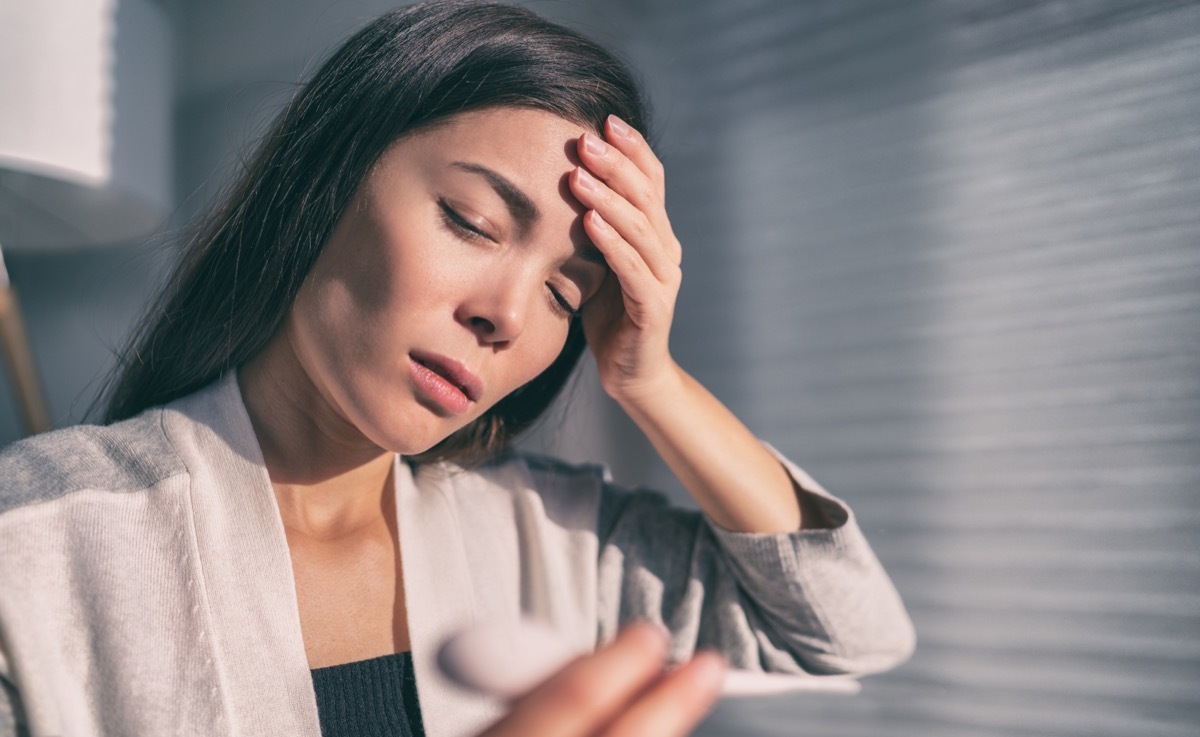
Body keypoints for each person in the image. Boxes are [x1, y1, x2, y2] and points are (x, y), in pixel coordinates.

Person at [0, 2, 915, 736]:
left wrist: (652, 379)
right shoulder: (36, 545)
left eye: (565, 293)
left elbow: (845, 633)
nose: (507, 315)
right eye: (474, 221)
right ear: (326, 179)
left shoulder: (558, 540)